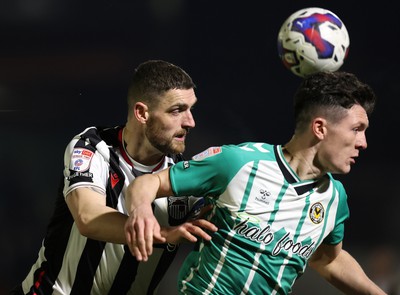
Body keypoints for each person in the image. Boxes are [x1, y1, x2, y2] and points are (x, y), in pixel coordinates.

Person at [124, 71, 387, 294]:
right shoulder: (238, 163)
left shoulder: (334, 198)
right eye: (356, 129)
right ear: (320, 128)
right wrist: (142, 212)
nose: (363, 143)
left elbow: (328, 260)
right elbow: (145, 183)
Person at [11, 60, 216, 294]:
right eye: (177, 110)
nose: (190, 122)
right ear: (142, 113)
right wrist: (163, 234)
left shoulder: (183, 176)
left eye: (191, 109)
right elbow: (88, 218)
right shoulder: (92, 147)